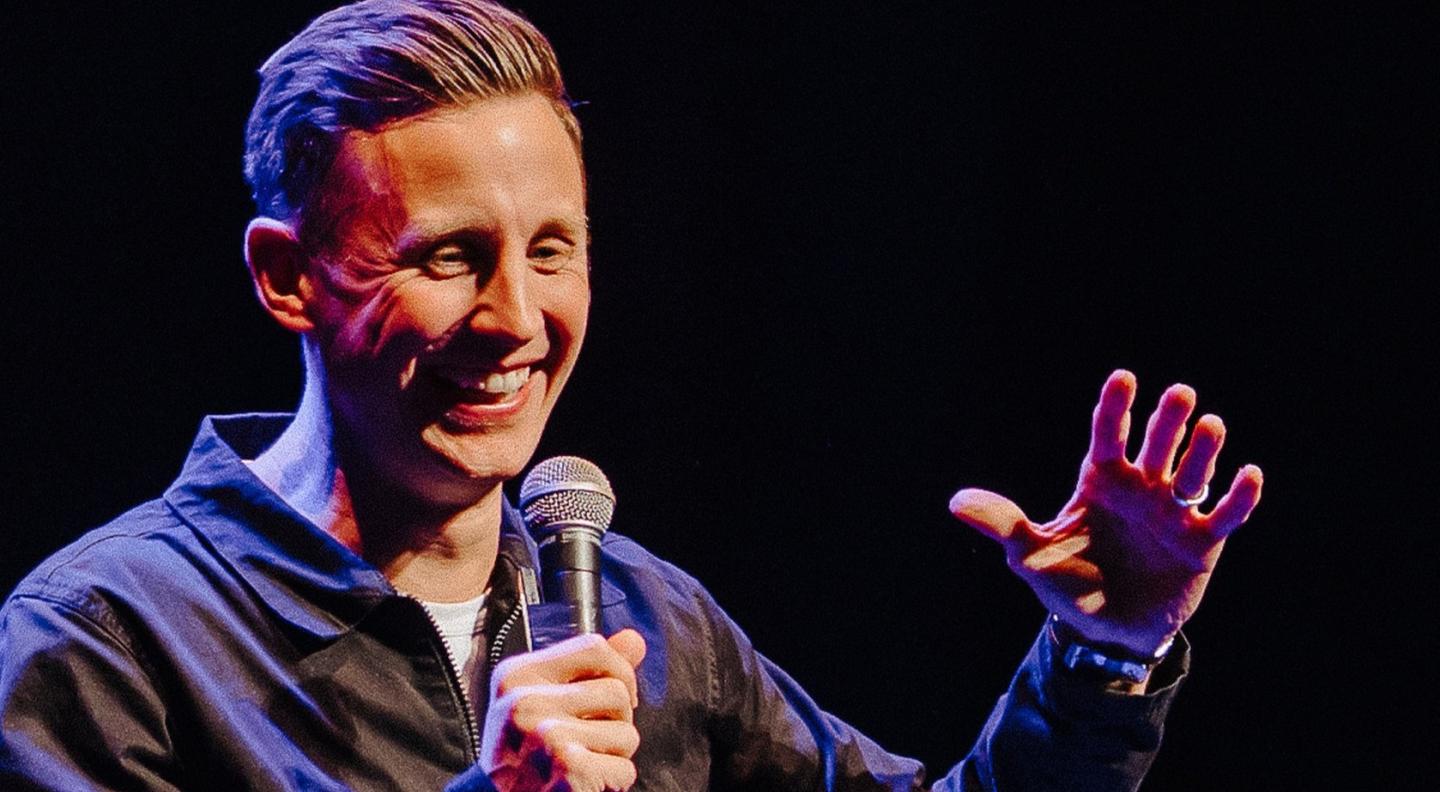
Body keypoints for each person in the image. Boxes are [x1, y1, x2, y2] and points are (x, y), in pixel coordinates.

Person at [0, 1, 1263, 790]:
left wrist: (1104, 655)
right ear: (288, 277)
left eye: (553, 250)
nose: (515, 319)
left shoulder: (647, 615)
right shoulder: (112, 639)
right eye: (449, 255)